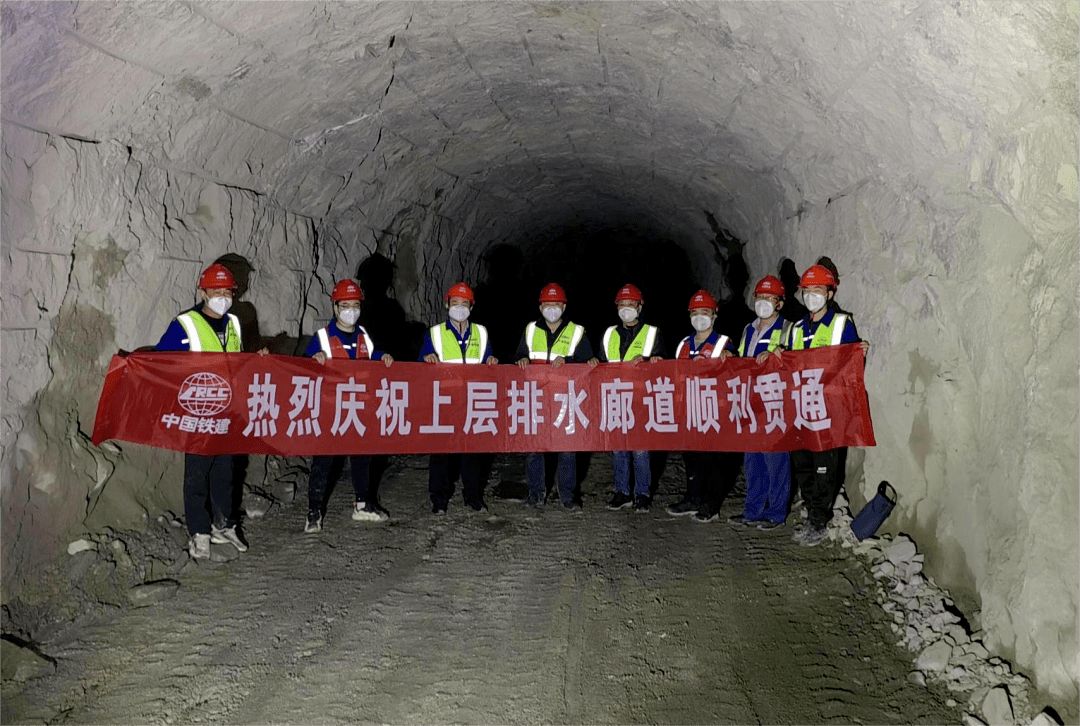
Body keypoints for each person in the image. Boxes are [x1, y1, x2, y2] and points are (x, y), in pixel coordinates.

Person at [155, 262, 267, 560]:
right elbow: (161, 362)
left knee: (225, 471)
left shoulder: (233, 324)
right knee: (197, 473)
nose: (222, 297)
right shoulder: (186, 324)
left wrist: (255, 359)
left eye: (227, 292)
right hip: (197, 411)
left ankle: (224, 525)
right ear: (203, 292)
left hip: (227, 411)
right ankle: (200, 532)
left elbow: (236, 361)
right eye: (216, 292)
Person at [301, 279, 395, 533]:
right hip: (330, 410)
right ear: (335, 307)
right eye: (345, 305)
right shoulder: (322, 337)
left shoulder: (364, 335)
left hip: (357, 408)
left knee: (362, 457)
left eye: (355, 305)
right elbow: (303, 367)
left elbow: (374, 355)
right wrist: (315, 358)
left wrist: (383, 357)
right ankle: (314, 511)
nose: (350, 311)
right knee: (324, 462)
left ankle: (362, 504)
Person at [786, 264, 868, 546]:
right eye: (807, 290)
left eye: (818, 290)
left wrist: (860, 354)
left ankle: (819, 520)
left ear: (830, 293)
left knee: (824, 466)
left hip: (828, 409)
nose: (811, 296)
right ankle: (811, 512)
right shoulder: (797, 328)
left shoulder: (842, 325)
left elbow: (852, 367)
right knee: (803, 464)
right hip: (801, 406)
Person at [515, 283, 598, 509]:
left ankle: (568, 496)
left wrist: (567, 361)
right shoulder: (531, 330)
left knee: (567, 449)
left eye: (556, 304)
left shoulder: (577, 331)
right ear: (540, 307)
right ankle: (535, 494)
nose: (552, 309)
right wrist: (522, 359)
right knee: (534, 448)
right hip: (537, 398)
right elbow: (520, 356)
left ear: (564, 306)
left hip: (566, 399)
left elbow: (588, 364)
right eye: (547, 304)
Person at [419, 281, 498, 513]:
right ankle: (439, 500)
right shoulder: (435, 333)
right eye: (455, 303)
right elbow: (421, 360)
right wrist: (426, 358)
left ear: (472, 307)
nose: (460, 308)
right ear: (447, 305)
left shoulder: (481, 332)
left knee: (472, 452)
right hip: (444, 401)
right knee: (441, 453)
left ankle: (473, 496)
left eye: (464, 303)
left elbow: (488, 358)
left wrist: (491, 361)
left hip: (473, 400)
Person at [667, 290, 743, 522]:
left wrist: (729, 359)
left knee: (713, 460)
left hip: (714, 410)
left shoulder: (723, 343)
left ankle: (711, 504)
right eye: (695, 312)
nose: (700, 317)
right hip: (689, 409)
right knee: (691, 458)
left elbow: (735, 372)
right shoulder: (684, 344)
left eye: (705, 312)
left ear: (714, 315)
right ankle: (693, 498)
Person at [730, 275, 794, 530]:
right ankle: (753, 510)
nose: (763, 302)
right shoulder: (749, 329)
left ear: (780, 303)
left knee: (775, 459)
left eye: (770, 298)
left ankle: (776, 513)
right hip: (751, 400)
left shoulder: (789, 328)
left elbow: (798, 361)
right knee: (753, 459)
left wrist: (780, 354)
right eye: (760, 297)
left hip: (775, 401)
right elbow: (744, 360)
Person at [598, 283, 664, 512]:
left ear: (640, 306)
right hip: (616, 397)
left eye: (630, 304)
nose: (626, 308)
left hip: (640, 399)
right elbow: (601, 365)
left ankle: (642, 494)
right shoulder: (609, 334)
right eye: (622, 305)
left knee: (640, 449)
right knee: (618, 447)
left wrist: (650, 361)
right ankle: (622, 492)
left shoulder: (652, 333)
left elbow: (662, 364)